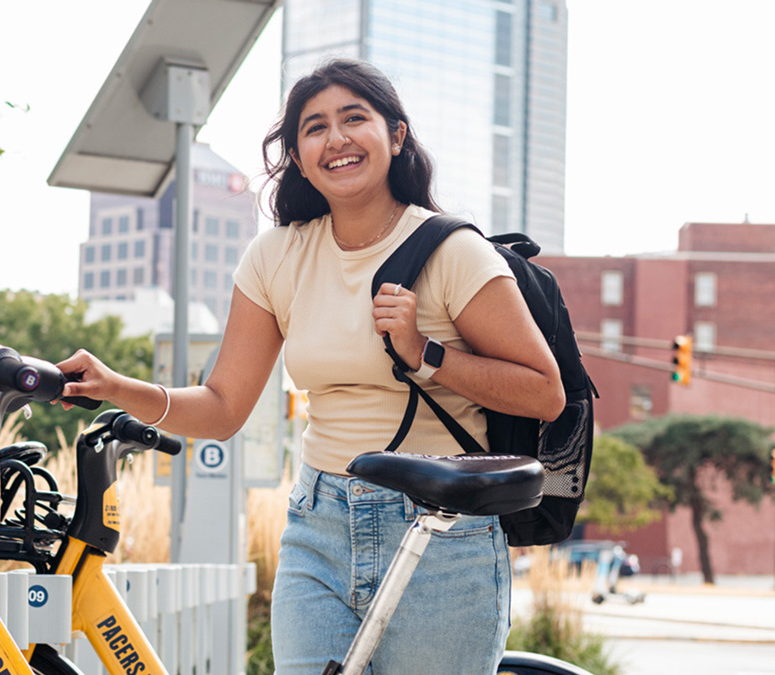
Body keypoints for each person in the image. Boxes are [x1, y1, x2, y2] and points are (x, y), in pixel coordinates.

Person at [57, 59, 564, 674]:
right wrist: (114, 386)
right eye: (315, 127)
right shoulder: (276, 257)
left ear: (396, 135)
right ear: (298, 155)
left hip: (437, 529)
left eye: (356, 119)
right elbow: (221, 408)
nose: (337, 139)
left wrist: (425, 354)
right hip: (318, 524)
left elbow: (544, 393)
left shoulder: (453, 251)